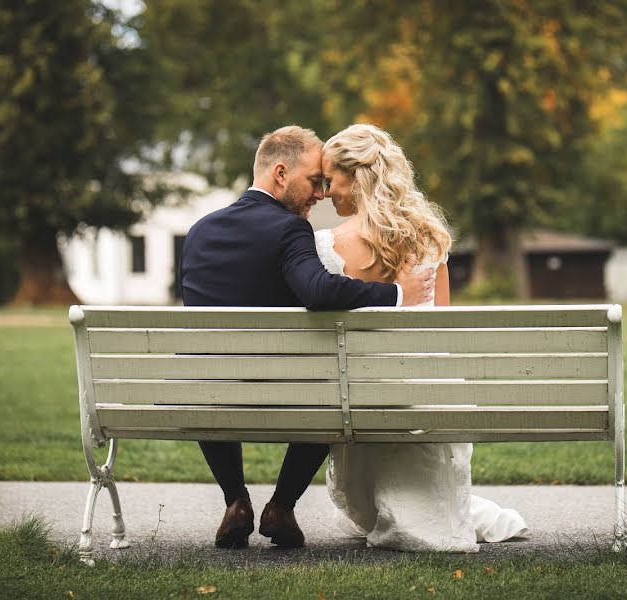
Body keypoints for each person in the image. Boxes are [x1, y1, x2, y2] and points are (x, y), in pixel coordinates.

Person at [180, 125, 436, 550]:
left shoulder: (200, 232)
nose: (319, 193)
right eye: (313, 182)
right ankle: (281, 505)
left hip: (212, 392)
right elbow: (319, 290)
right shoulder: (288, 230)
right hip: (288, 392)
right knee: (331, 388)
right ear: (281, 174)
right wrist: (397, 294)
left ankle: (235, 501)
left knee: (214, 377)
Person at [316, 124, 528, 552]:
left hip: (355, 397)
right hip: (423, 393)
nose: (324, 192)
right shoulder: (429, 238)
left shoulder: (326, 246)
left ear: (355, 177)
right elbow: (441, 329)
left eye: (329, 180)